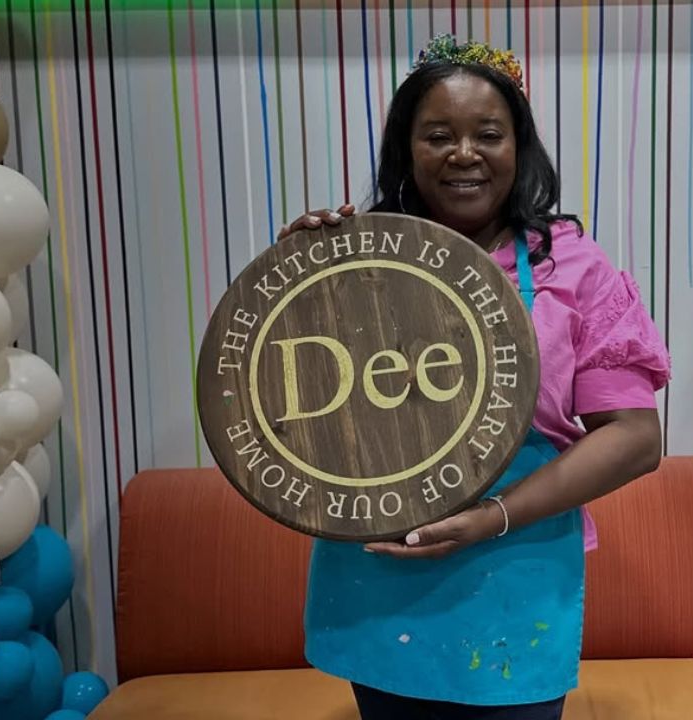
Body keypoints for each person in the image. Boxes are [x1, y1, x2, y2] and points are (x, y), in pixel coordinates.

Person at [278, 35, 671, 720]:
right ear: (408, 150)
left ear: (519, 148)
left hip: (513, 564)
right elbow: (295, 405)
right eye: (438, 135)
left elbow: (636, 437)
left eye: (487, 134)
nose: (464, 153)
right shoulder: (360, 263)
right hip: (381, 570)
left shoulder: (572, 269)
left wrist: (492, 516)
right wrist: (294, 284)